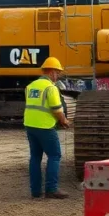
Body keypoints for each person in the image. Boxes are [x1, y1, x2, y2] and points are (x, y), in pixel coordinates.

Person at [24, 57, 71, 199]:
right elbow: (57, 109)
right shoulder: (50, 88)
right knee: (55, 155)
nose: (58, 76)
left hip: (30, 125)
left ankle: (35, 191)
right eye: (58, 72)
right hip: (45, 126)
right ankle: (51, 189)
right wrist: (64, 121)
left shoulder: (31, 86)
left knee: (35, 157)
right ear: (51, 72)